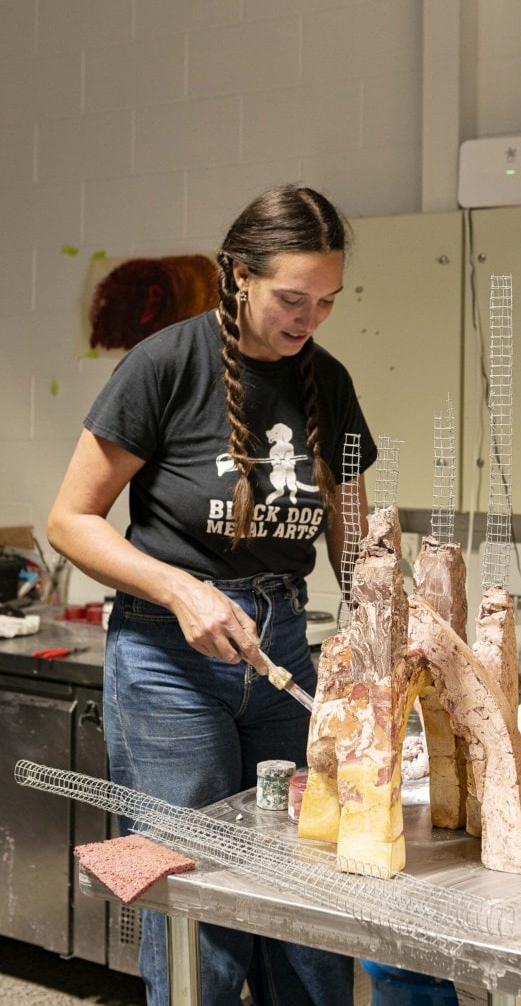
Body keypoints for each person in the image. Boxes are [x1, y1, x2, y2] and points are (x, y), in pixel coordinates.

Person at [47, 184, 377, 1006]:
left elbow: (355, 535)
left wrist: (382, 615)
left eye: (326, 302)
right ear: (238, 274)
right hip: (167, 657)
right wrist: (181, 589)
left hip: (284, 647)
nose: (308, 319)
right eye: (291, 298)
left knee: (305, 879)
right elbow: (70, 521)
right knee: (190, 884)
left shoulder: (325, 381)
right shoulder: (165, 363)